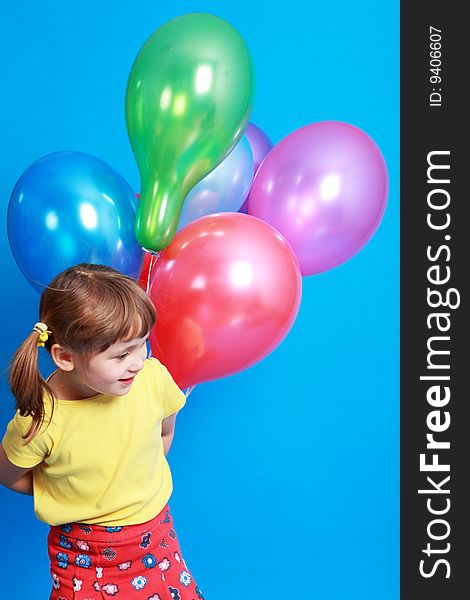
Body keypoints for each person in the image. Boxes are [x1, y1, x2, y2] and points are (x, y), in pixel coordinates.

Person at [0, 263, 204, 600]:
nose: (138, 361)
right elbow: (9, 474)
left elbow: (163, 435)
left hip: (156, 538)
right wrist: (64, 491)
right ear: (65, 357)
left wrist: (132, 477)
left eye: (142, 345)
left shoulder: (152, 379)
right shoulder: (41, 419)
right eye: (122, 354)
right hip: (84, 552)